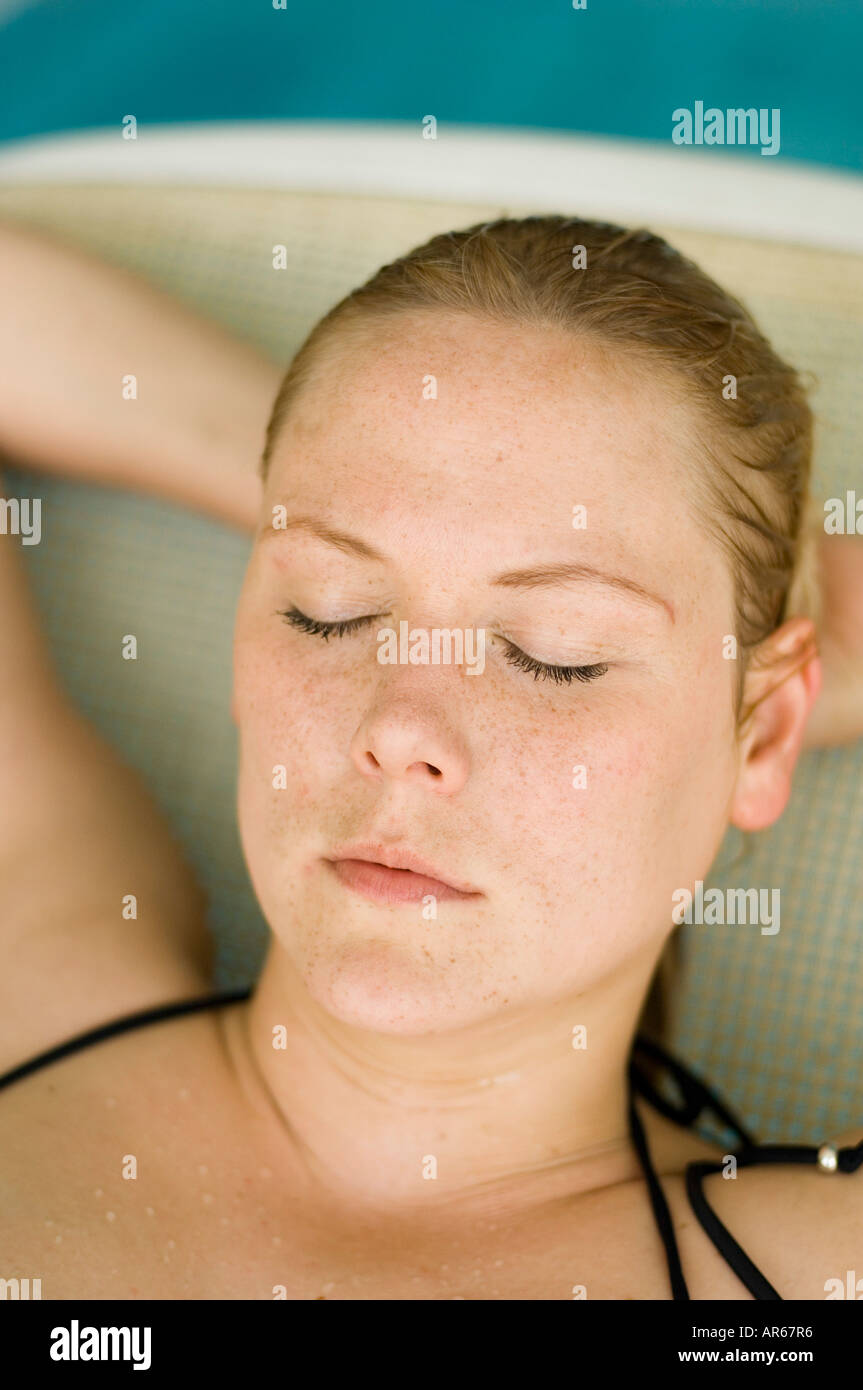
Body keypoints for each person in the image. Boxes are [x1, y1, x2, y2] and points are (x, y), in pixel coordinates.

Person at [0, 213, 861, 1301]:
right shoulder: (35, 984)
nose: (399, 725)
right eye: (326, 611)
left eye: (557, 657)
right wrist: (311, 484)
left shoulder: (804, 1277)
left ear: (770, 732)